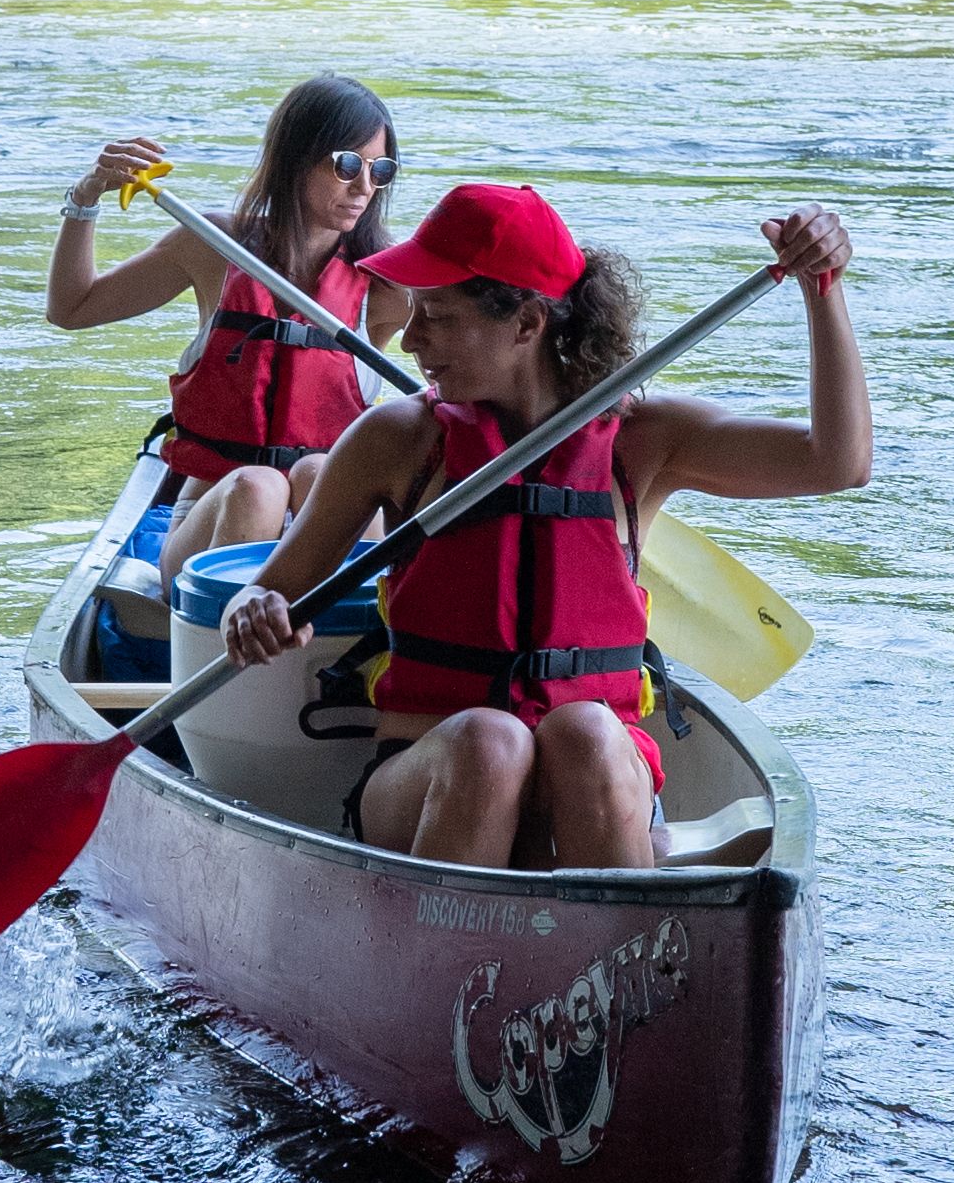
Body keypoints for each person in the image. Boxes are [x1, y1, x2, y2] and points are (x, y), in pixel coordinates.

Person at [220, 179, 867, 869]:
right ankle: (447, 959)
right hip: (428, 773)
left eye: (436, 314)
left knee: (586, 728)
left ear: (527, 324)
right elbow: (269, 591)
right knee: (490, 743)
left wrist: (822, 291)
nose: (410, 339)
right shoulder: (396, 438)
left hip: (592, 782)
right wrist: (253, 609)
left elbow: (836, 463)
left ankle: (625, 949)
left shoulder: (640, 441)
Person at [46, 75, 412, 580]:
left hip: (326, 523)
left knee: (318, 472)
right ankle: (234, 642)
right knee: (258, 486)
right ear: (295, 158)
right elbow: (73, 308)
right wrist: (85, 199)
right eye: (348, 165)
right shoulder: (213, 245)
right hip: (214, 516)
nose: (364, 187)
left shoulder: (388, 283)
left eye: (381, 170)